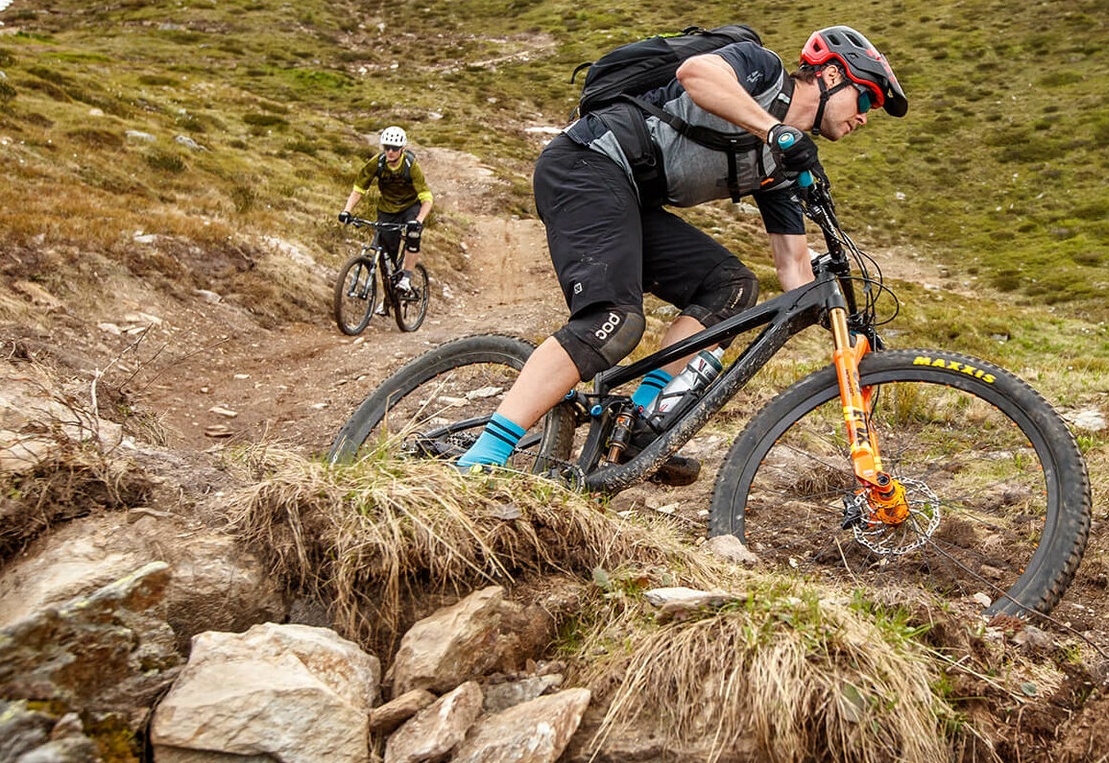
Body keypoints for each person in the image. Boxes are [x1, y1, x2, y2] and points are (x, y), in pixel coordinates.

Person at [456, 25, 907, 474]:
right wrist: (774, 131)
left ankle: (636, 423)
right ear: (831, 76)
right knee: (613, 322)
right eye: (866, 99)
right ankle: (479, 460)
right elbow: (696, 73)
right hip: (585, 162)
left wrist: (845, 331)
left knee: (731, 287)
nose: (865, 117)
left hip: (631, 198)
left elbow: (793, 270)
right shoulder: (763, 69)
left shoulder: (783, 164)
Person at [339, 126, 433, 298]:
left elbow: (427, 197)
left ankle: (406, 278)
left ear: (402, 149)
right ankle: (388, 298)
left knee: (413, 235)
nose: (390, 152)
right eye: (387, 147)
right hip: (387, 209)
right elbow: (359, 188)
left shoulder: (410, 165)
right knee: (386, 253)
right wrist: (347, 211)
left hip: (410, 207)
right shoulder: (377, 162)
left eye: (394, 148)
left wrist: (418, 220)